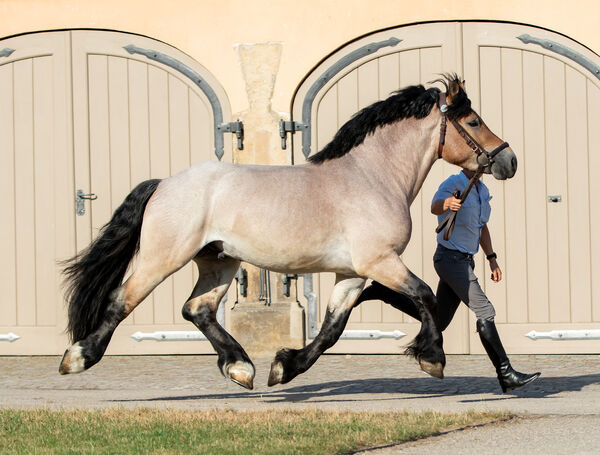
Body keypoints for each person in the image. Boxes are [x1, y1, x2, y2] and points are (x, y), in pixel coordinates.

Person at [357, 168, 540, 393]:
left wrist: (492, 258)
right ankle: (506, 373)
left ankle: (383, 293)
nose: (482, 166)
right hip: (450, 260)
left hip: (465, 260)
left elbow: (481, 227)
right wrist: (446, 205)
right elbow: (434, 205)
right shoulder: (455, 182)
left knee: (439, 320)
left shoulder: (482, 190)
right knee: (485, 311)